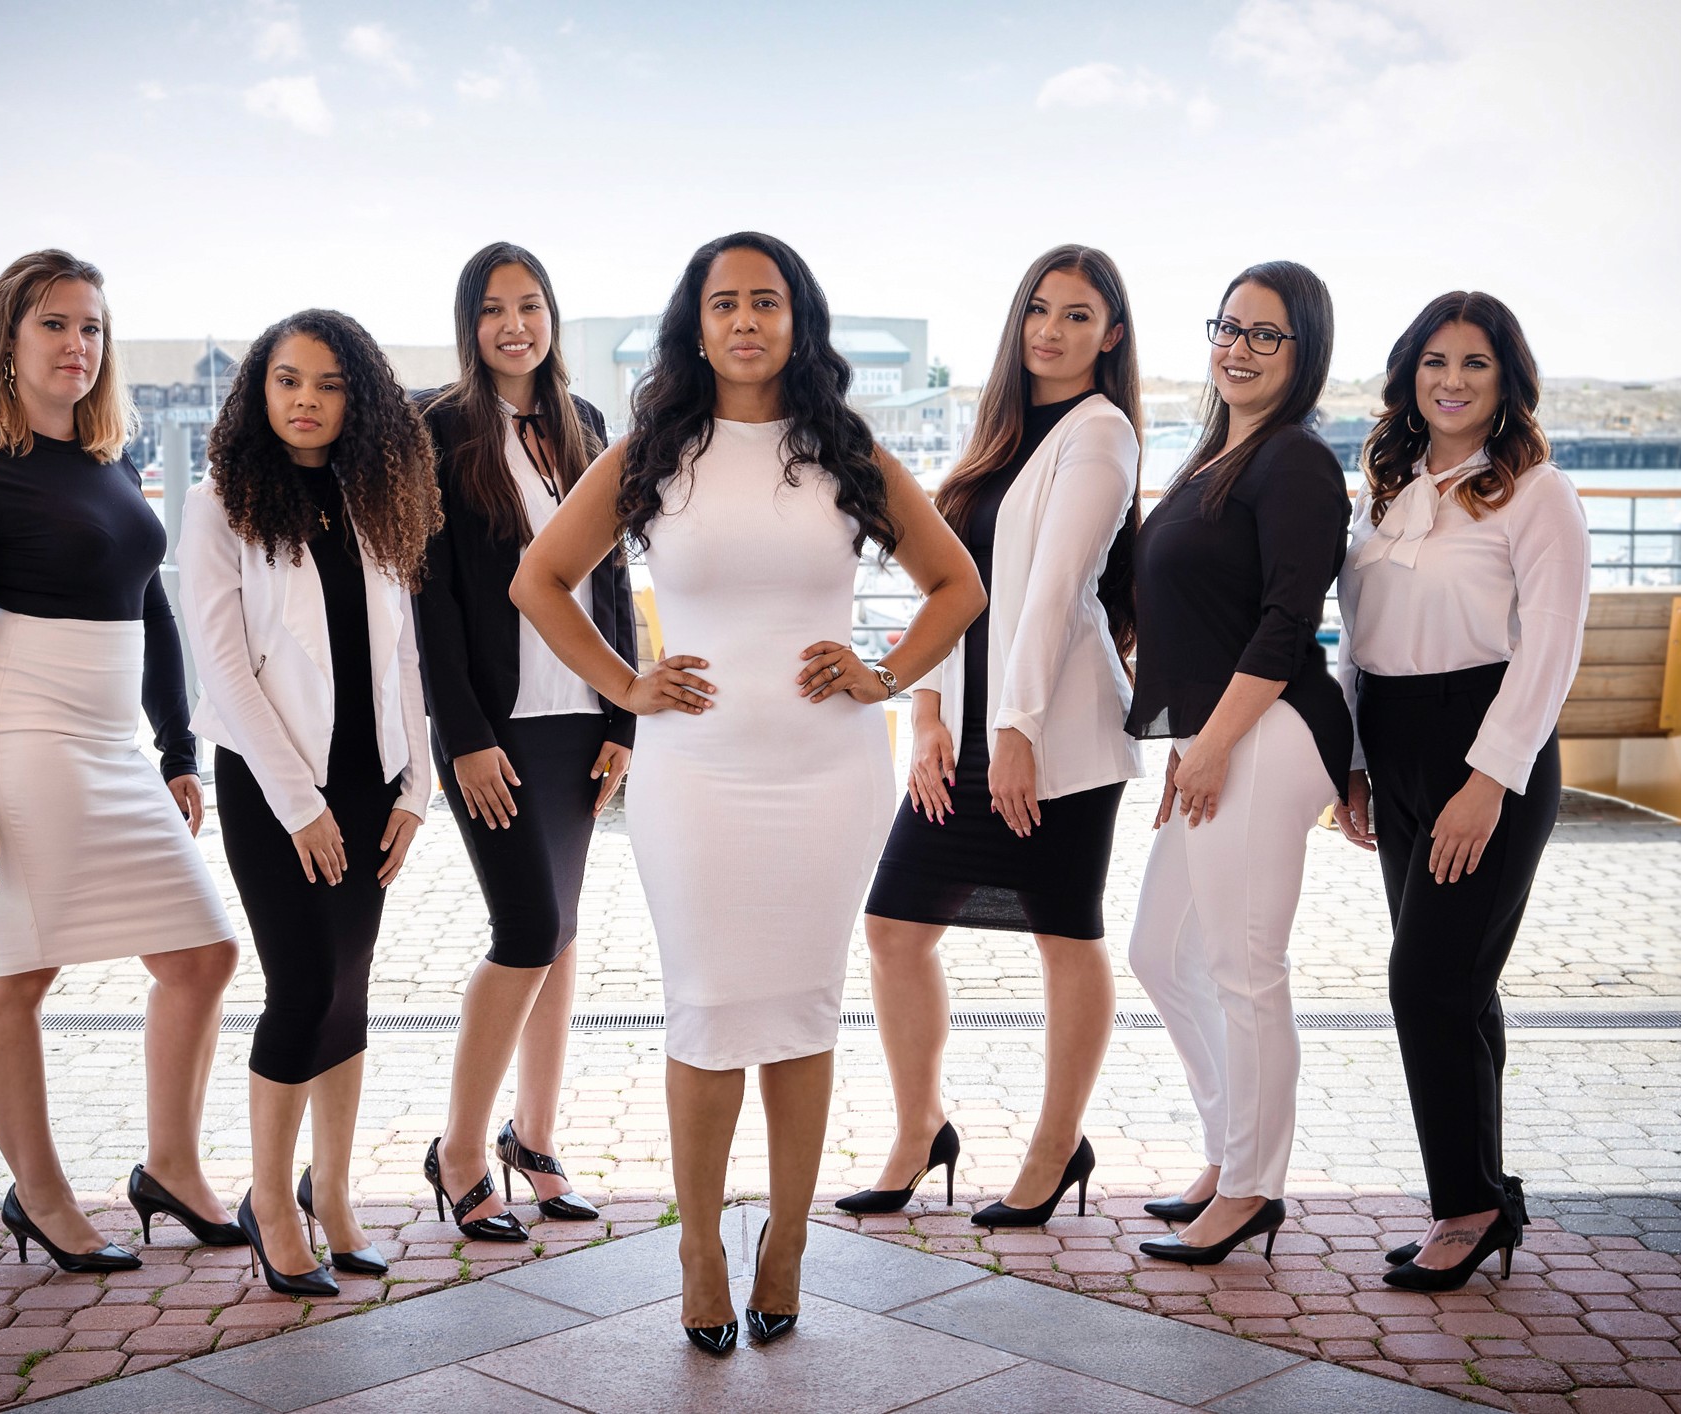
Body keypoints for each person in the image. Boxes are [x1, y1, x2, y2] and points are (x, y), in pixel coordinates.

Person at [510, 233, 983, 1354]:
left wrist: (888, 673)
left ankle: (787, 1243)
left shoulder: (846, 449)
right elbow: (539, 578)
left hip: (827, 772)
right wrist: (626, 684)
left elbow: (957, 582)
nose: (745, 321)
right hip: (698, 778)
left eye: (765, 301)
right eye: (724, 303)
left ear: (796, 319)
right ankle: (699, 1247)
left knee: (804, 1010)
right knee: (712, 1007)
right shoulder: (653, 451)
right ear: (696, 323)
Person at [0, 249, 242, 1272]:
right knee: (18, 970)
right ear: (8, 341)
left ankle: (171, 1169)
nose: (76, 344)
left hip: (112, 745)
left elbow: (150, 598)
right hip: (23, 737)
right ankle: (42, 1195)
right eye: (54, 324)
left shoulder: (109, 459)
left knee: (202, 955)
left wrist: (178, 747)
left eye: (91, 327)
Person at [843, 245, 1143, 1226]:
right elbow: (948, 583)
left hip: (1052, 737)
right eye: (1039, 311)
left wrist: (1015, 730)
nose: (1052, 331)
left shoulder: (1099, 436)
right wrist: (924, 714)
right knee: (893, 930)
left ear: (1113, 334)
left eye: (1078, 315)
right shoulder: (1001, 434)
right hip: (963, 734)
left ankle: (1058, 1145)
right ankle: (920, 1128)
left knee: (1065, 935)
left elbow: (1055, 592)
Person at [179, 309, 440, 1295]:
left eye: (328, 384)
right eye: (287, 380)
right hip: (269, 784)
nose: (305, 400)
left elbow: (403, 653)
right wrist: (300, 803)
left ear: (358, 399)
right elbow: (225, 671)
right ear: (259, 391)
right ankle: (270, 1203)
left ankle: (332, 1194)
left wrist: (417, 787)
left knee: (349, 989)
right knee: (299, 989)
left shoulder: (376, 498)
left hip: (371, 783)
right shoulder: (220, 506)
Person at [1335, 291, 1587, 1290]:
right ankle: (1486, 1196)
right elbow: (1359, 638)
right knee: (1459, 987)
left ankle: (1464, 1205)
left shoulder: (1537, 493)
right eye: (1434, 361)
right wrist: (1353, 758)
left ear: (1506, 380)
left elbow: (1553, 649)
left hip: (1485, 749)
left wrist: (1491, 778)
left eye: (1474, 363)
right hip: (1393, 744)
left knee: (1424, 982)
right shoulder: (1389, 486)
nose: (1451, 380)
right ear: (1409, 375)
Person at [1124, 261, 1351, 1266]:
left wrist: (1210, 743)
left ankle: (1255, 1187)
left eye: (1268, 334)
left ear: (1303, 353)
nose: (1240, 347)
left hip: (1270, 729)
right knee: (1161, 952)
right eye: (1229, 326)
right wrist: (1188, 738)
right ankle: (1231, 1150)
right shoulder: (1219, 453)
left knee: (1245, 969)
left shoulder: (1295, 461)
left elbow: (1286, 622)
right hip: (1216, 733)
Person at [412, 244, 633, 1243]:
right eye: (494, 308)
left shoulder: (582, 425)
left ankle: (533, 1139)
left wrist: (624, 713)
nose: (514, 324)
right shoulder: (438, 428)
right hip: (495, 731)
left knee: (564, 930)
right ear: (471, 324)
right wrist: (461, 735)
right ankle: (458, 1150)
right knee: (526, 931)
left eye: (530, 305)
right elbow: (433, 596)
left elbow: (612, 578)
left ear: (552, 316)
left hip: (580, 717)